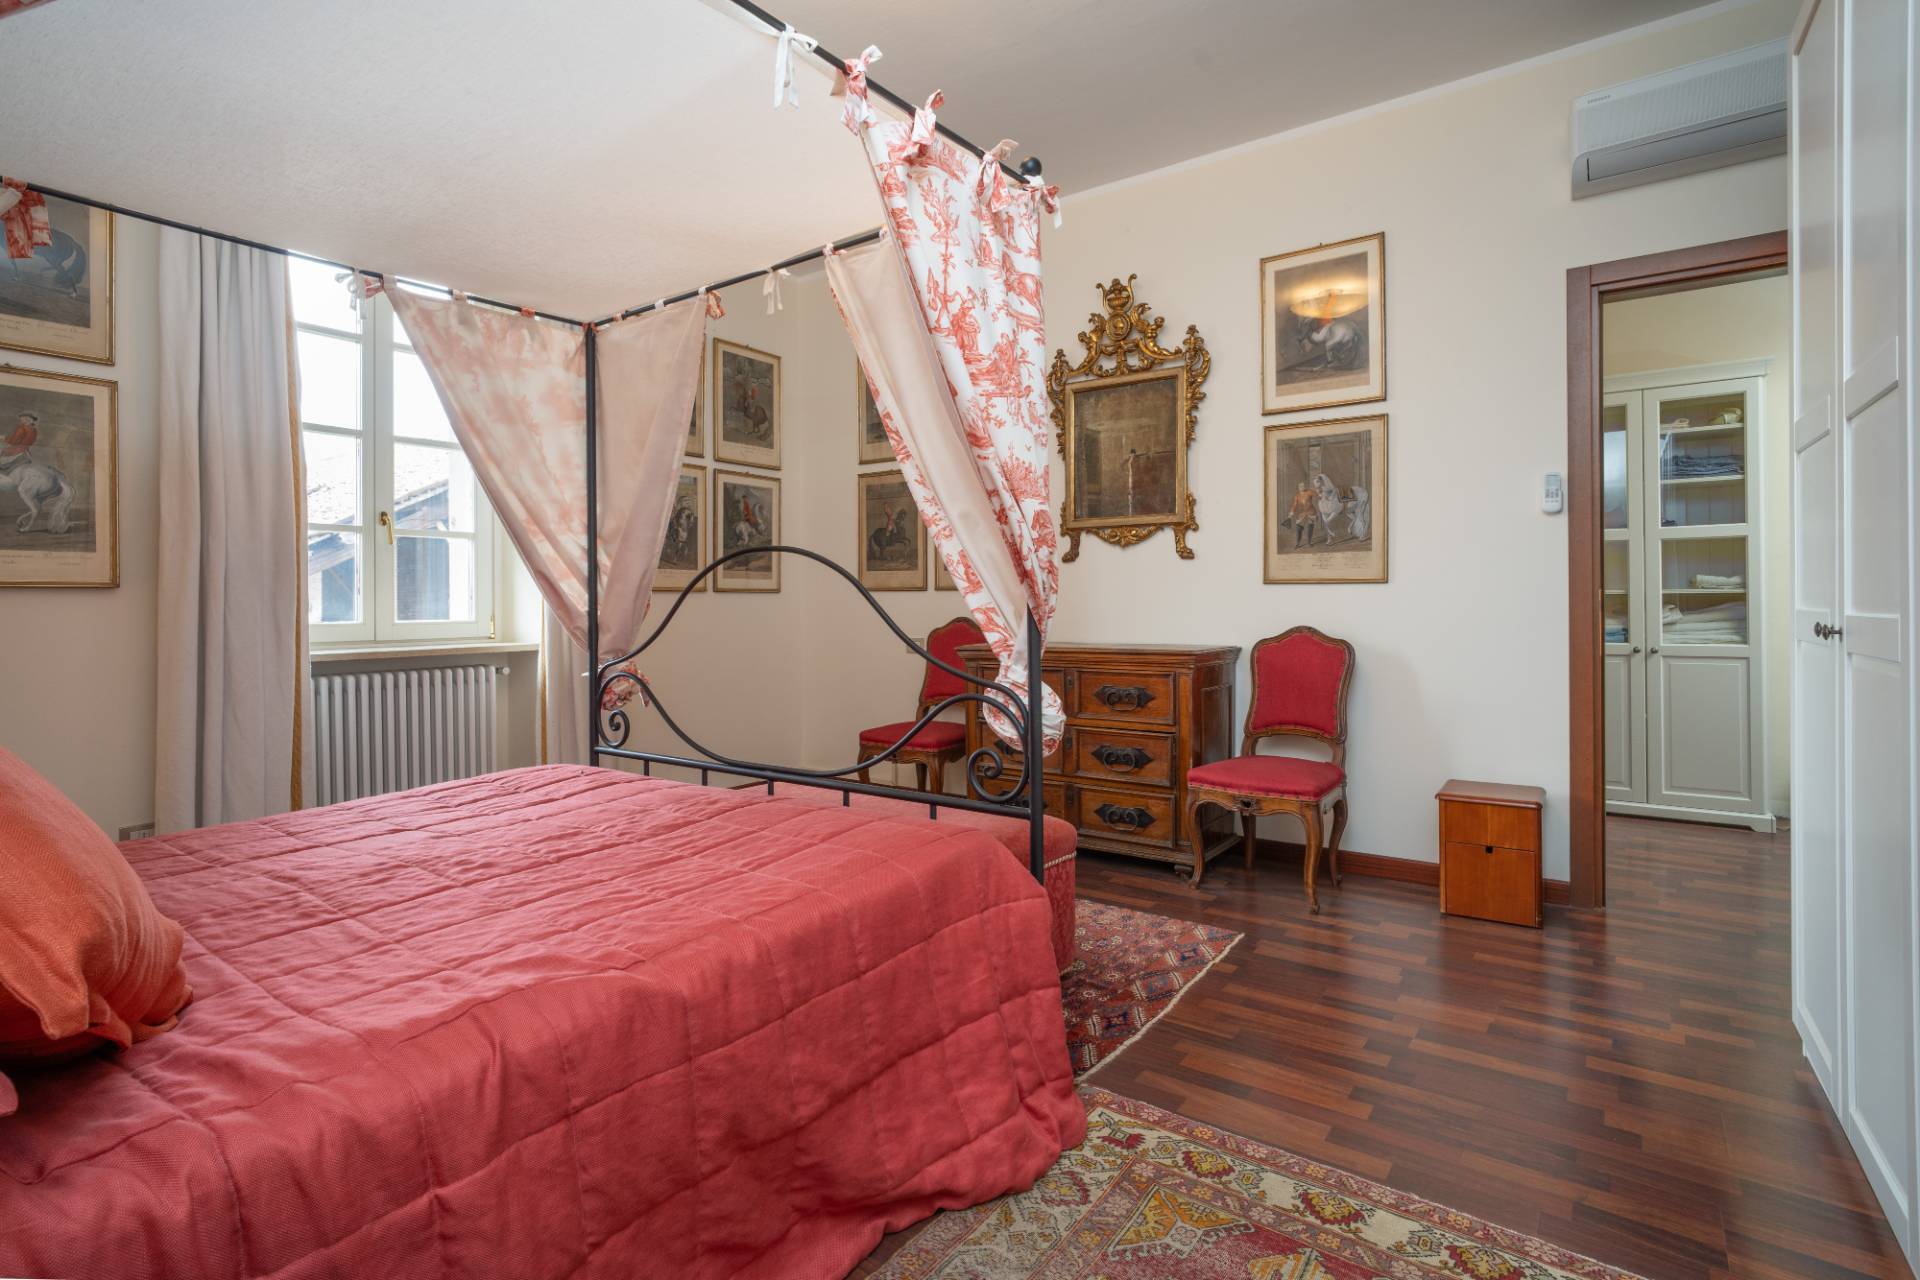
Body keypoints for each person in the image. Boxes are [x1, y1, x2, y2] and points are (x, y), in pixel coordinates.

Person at [1288, 480, 1317, 548]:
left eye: (1303, 486)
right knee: (1298, 527)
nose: (1302, 487)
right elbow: (1294, 505)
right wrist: (1291, 512)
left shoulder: (1309, 492)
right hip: (1302, 513)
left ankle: (1309, 542)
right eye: (1301, 486)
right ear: (1298, 487)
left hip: (1311, 512)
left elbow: (1316, 494)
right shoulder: (1297, 496)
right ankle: (1298, 543)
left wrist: (1318, 492)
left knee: (1310, 527)